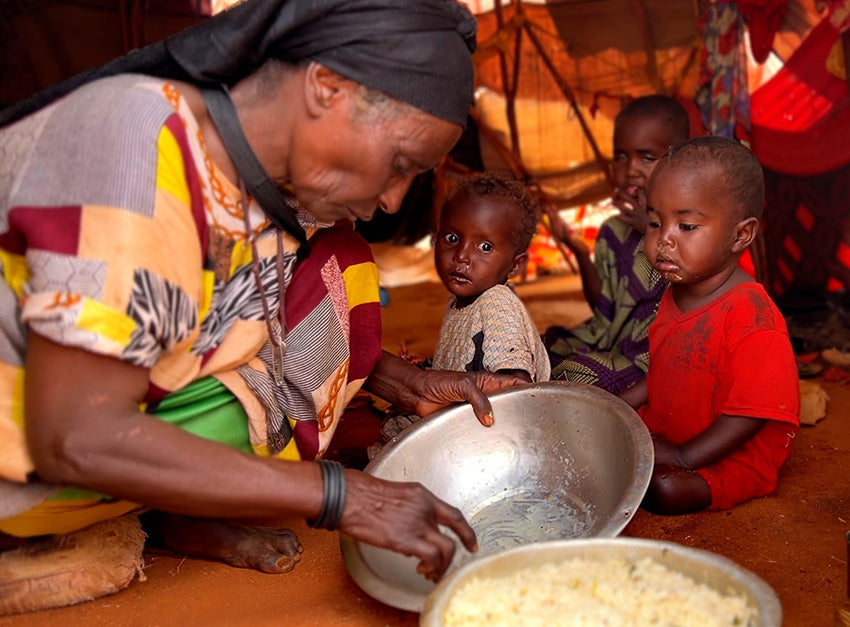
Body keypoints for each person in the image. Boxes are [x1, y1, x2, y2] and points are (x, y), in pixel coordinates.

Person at [0, 0, 525, 614]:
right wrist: (342, 495)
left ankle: (170, 503)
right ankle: (108, 510)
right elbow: (76, 434)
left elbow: (250, 329)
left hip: (71, 427)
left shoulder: (254, 189)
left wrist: (412, 386)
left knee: (339, 268)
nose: (392, 201)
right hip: (43, 452)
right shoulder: (134, 154)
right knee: (333, 275)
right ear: (327, 86)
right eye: (401, 165)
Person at [628, 136, 800, 515]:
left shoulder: (753, 318)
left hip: (732, 453)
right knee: (600, 435)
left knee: (665, 490)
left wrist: (685, 456)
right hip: (673, 430)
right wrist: (623, 405)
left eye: (686, 226)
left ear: (741, 234)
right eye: (655, 222)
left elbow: (752, 413)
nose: (664, 240)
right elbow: (668, 366)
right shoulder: (677, 291)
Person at [376, 173, 549, 446]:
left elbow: (515, 388)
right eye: (452, 238)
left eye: (484, 247)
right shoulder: (458, 303)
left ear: (515, 266)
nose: (461, 256)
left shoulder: (497, 303)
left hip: (496, 432)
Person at [542, 95, 690, 398]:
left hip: (651, 360)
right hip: (613, 343)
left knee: (577, 373)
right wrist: (578, 250)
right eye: (621, 157)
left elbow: (691, 292)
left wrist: (651, 226)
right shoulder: (613, 231)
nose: (631, 169)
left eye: (647, 157)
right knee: (543, 346)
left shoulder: (691, 228)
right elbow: (603, 308)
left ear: (678, 159)